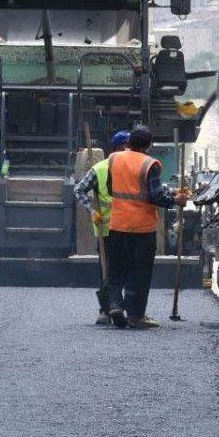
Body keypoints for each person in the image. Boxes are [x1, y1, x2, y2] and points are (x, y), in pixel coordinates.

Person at [102, 125, 190, 328]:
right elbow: (156, 195)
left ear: (130, 141)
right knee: (139, 272)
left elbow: (109, 187)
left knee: (115, 269)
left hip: (117, 224)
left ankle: (115, 304)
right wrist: (176, 200)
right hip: (142, 229)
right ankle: (136, 316)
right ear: (149, 145)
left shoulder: (114, 158)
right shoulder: (150, 164)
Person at [74, 129, 131, 325]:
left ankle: (118, 306)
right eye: (128, 146)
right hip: (107, 229)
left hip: (130, 228)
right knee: (107, 270)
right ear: (120, 147)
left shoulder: (134, 166)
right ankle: (106, 309)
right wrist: (91, 210)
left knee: (123, 269)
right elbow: (79, 189)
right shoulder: (100, 168)